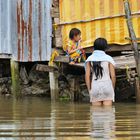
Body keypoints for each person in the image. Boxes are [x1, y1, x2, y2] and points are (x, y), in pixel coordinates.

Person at [85, 38, 116, 106]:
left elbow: (87, 76)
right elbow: (113, 76)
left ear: (94, 47)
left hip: (95, 87)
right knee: (108, 113)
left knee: (96, 113)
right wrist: (112, 88)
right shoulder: (109, 58)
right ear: (105, 47)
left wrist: (90, 90)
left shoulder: (89, 59)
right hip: (107, 86)